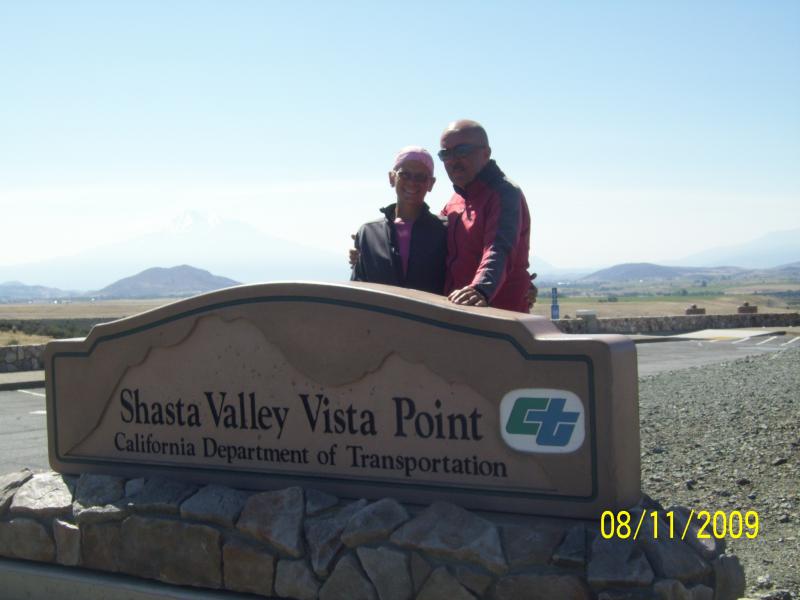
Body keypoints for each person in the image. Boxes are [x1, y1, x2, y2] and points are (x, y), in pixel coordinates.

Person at [438, 119, 533, 312]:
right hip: (459, 312)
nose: (453, 160)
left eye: (462, 151)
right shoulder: (454, 201)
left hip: (498, 317)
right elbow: (431, 239)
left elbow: (498, 248)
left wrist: (481, 289)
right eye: (445, 154)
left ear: (486, 153)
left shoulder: (504, 194)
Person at [350, 146, 447, 294]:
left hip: (426, 317)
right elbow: (358, 287)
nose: (412, 182)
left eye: (420, 177)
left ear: (431, 183)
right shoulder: (369, 233)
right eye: (405, 174)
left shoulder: (445, 231)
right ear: (392, 178)